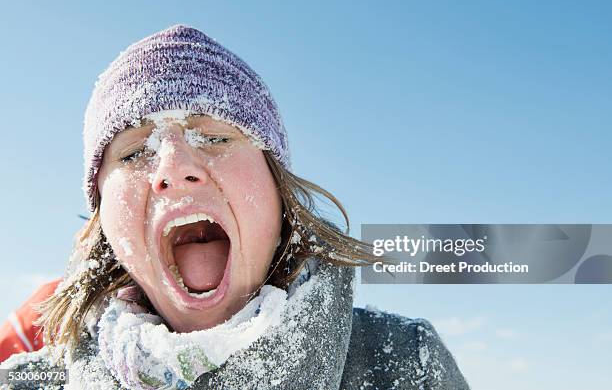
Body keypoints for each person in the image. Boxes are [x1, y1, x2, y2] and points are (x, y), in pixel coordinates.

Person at [0, 25, 469, 389]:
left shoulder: (407, 365)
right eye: (133, 151)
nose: (175, 166)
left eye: (216, 137)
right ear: (104, 218)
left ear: (277, 191)